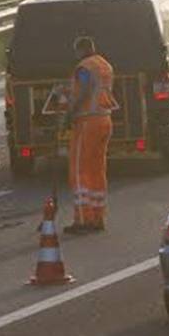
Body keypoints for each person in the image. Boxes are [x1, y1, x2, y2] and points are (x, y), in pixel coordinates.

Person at [64, 36, 117, 233]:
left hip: (87, 121)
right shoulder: (105, 65)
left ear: (81, 49)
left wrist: (70, 113)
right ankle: (97, 216)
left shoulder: (84, 68)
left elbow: (84, 90)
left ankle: (83, 219)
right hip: (104, 120)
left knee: (79, 170)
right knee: (97, 169)